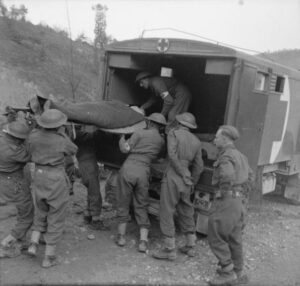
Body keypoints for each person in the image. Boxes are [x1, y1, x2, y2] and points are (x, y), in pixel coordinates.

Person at [27, 109, 78, 268]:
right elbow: (74, 150)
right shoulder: (61, 140)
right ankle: (49, 257)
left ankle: (33, 243)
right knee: (56, 214)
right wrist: (63, 134)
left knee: (41, 210)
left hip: (39, 175)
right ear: (59, 125)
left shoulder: (33, 136)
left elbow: (29, 151)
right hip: (55, 178)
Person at [153, 112, 203, 260]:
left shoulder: (173, 134)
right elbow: (199, 166)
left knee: (166, 210)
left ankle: (169, 249)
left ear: (180, 123)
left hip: (174, 175)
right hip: (187, 179)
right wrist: (191, 179)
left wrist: (181, 173)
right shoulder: (197, 141)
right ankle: (191, 246)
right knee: (186, 209)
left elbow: (172, 155)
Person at [207, 125, 252, 286]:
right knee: (235, 237)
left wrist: (223, 193)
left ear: (225, 139)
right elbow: (250, 177)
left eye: (217, 137)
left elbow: (226, 176)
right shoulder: (241, 156)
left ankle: (227, 272)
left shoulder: (225, 156)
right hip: (239, 201)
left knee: (215, 233)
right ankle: (238, 272)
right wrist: (242, 198)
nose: (215, 140)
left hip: (227, 200)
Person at [116, 113, 166, 253]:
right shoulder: (161, 140)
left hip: (128, 169)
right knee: (141, 204)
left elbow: (125, 149)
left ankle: (121, 237)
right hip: (144, 172)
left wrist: (121, 138)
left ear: (149, 123)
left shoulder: (139, 133)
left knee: (123, 202)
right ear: (161, 127)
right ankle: (143, 242)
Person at [0, 121, 33, 258]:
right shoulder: (14, 151)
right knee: (28, 215)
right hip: (14, 182)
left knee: (22, 210)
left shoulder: (2, 140)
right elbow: (31, 155)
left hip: (4, 180)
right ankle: (7, 243)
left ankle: (20, 238)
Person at [74, 125, 109, 230]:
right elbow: (93, 135)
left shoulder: (77, 134)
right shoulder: (81, 135)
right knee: (95, 192)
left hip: (85, 164)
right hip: (88, 165)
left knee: (91, 190)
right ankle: (96, 220)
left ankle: (88, 214)